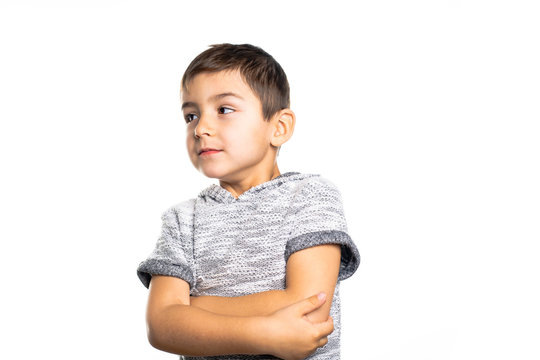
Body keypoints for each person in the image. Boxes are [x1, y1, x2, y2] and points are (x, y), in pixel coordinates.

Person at [136, 43, 360, 360]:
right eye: (191, 115)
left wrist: (194, 306)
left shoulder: (310, 196)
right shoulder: (181, 220)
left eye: (224, 110)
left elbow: (310, 307)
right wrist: (265, 334)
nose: (201, 128)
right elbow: (161, 326)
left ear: (279, 127)